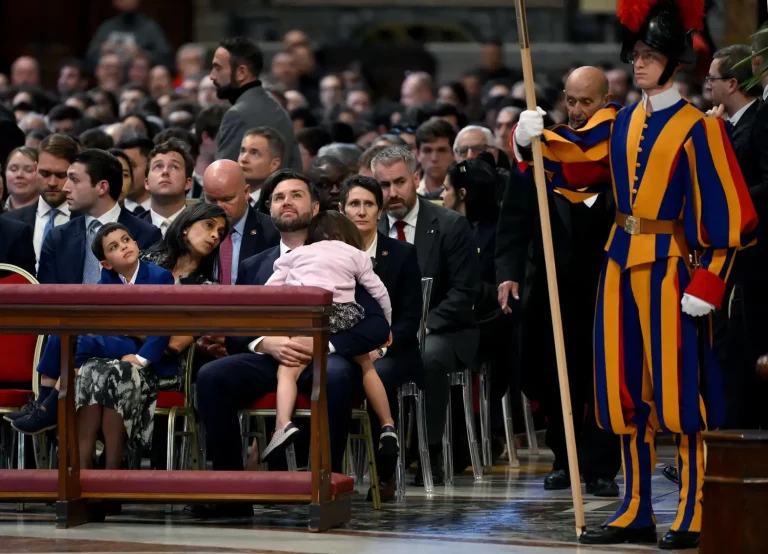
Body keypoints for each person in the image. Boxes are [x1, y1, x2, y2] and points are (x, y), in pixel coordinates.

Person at [512, 1, 758, 549]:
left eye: (650, 56)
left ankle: (692, 508)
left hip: (672, 271)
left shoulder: (701, 130)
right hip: (619, 267)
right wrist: (533, 137)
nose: (639, 64)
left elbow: (729, 217)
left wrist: (710, 282)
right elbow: (574, 159)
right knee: (625, 395)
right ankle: (636, 506)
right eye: (637, 54)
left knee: (681, 395)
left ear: (674, 63)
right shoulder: (622, 122)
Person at [195, 170, 389, 518]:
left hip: (326, 357)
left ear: (315, 207)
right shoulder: (257, 265)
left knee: (339, 376)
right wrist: (266, 344)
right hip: (271, 358)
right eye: (278, 197)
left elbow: (376, 325)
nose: (286, 201)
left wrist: (327, 346)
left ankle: (323, 487)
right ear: (268, 208)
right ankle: (231, 494)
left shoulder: (342, 256)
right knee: (212, 376)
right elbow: (238, 329)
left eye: (296, 195)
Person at [498, 66, 621, 496]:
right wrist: (508, 273)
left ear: (605, 100)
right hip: (549, 282)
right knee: (553, 376)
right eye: (570, 100)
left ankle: (602, 465)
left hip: (607, 281)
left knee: (603, 376)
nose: (576, 110)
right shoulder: (544, 148)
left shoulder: (619, 144)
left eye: (586, 102)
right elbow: (513, 219)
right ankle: (564, 460)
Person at [11, 223, 175, 455]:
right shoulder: (106, 279)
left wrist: (142, 358)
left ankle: (48, 411)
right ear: (106, 263)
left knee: (78, 341)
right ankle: (43, 403)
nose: (124, 247)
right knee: (61, 335)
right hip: (111, 339)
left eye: (126, 240)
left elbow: (165, 324)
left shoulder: (160, 276)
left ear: (136, 243)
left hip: (137, 344)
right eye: (114, 247)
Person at [373, 146, 479, 485]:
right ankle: (381, 451)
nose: (392, 193)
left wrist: (422, 326)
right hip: (386, 331)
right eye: (384, 185)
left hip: (444, 329)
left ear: (416, 180)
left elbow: (464, 293)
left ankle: (429, 449)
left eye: (400, 182)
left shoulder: (450, 225)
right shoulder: (366, 228)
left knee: (428, 355)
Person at [260, 211, 397, 462]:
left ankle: (283, 424)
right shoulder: (356, 254)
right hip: (344, 315)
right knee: (366, 364)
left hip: (308, 316)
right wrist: (387, 321)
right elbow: (379, 290)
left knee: (288, 369)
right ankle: (388, 425)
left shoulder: (297, 253)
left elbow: (271, 290)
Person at [340, 175, 423, 498]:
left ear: (380, 211)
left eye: (368, 204)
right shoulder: (328, 253)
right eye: (354, 204)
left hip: (394, 350)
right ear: (342, 209)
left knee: (378, 374)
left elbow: (410, 318)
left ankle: (384, 467)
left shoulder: (402, 254)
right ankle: (325, 468)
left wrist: (380, 349)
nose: (361, 211)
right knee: (333, 375)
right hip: (346, 348)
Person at [212, 37, 301, 170]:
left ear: (241, 72)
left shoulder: (237, 115)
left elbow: (223, 181)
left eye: (217, 68)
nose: (212, 76)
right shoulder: (277, 108)